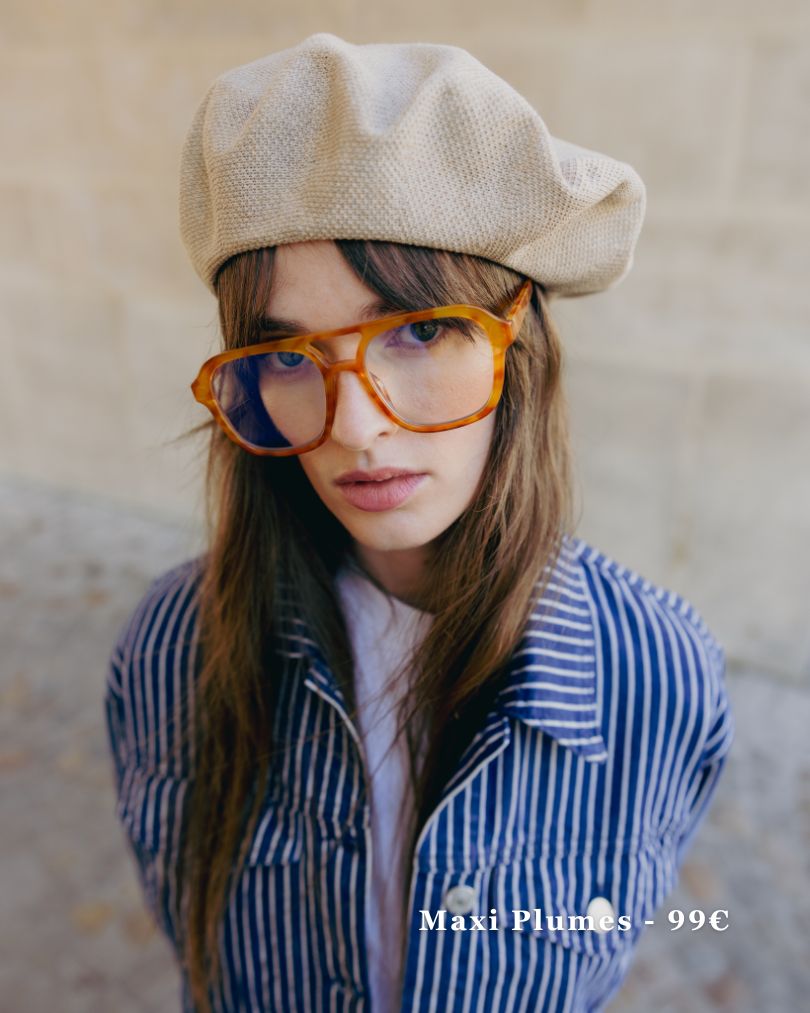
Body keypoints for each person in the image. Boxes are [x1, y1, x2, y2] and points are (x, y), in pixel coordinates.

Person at [103, 33, 734, 1013]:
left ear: (518, 344)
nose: (356, 428)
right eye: (289, 356)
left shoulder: (657, 676)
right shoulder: (171, 653)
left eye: (421, 330)